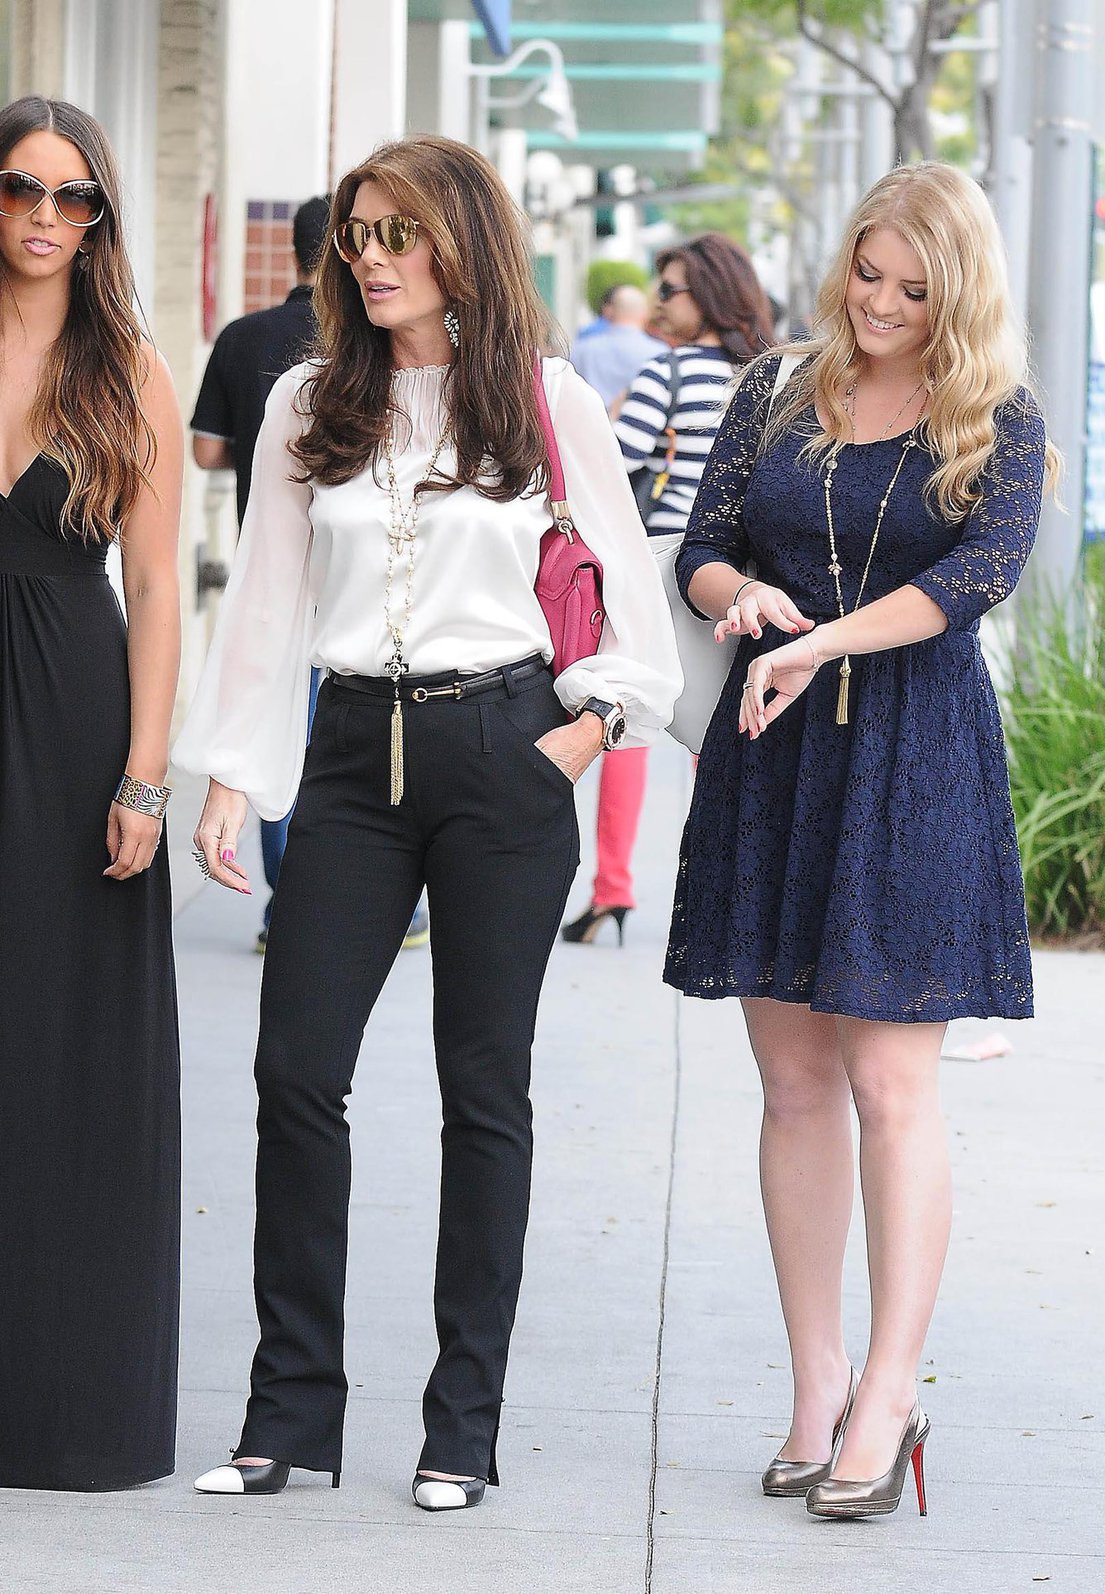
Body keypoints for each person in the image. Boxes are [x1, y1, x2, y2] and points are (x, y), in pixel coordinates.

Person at [172, 134, 680, 1510]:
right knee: (294, 1071)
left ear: (463, 243)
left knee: (483, 1090)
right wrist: (234, 771)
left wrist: (569, 743)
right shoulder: (303, 402)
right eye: (358, 234)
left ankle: (463, 1421)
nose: (375, 257)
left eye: (401, 232)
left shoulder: (545, 397)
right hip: (349, 759)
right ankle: (292, 1413)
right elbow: (272, 604)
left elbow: (638, 616)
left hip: (500, 752)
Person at [665, 163, 1057, 1519]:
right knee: (789, 1082)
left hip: (915, 762)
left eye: (912, 286)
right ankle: (816, 1380)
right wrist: (743, 594)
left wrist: (826, 634)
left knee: (892, 1086)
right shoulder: (773, 385)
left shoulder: (998, 417)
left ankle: (891, 1395)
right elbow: (698, 547)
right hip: (777, 759)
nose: (879, 302)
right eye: (867, 272)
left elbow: (977, 577)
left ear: (960, 292)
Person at [0, 95, 183, 1490]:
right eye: (21, 190)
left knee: (64, 1054)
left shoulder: (130, 375)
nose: (46, 219)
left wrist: (145, 774)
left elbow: (161, 590)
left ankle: (64, 1407)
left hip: (73, 720)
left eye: (75, 199)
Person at [190, 197, 430, 953]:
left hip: (277, 572)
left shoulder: (242, 336)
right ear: (342, 251)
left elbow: (204, 452)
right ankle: (381, 901)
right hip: (370, 586)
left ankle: (283, 906)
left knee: (283, 731)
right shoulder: (375, 347)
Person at [563, 234, 773, 947]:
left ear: (708, 293)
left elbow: (610, 461)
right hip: (747, 581)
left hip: (671, 568)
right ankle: (728, 896)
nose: (658, 304)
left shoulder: (670, 372)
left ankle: (613, 887)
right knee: (725, 734)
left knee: (632, 719)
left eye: (670, 290)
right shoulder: (774, 378)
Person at [569, 282, 664, 411]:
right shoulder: (660, 353)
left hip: (591, 424)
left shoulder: (581, 350)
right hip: (640, 425)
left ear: (608, 311)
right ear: (645, 313)